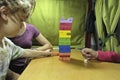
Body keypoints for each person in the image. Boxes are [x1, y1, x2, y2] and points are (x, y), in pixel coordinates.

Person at [0, 0, 54, 80]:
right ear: (5, 13)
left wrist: (44, 53)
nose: (22, 25)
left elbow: (26, 52)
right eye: (21, 20)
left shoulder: (7, 44)